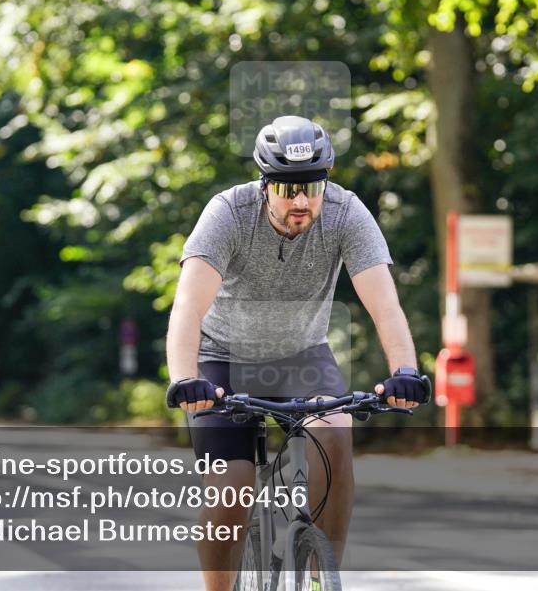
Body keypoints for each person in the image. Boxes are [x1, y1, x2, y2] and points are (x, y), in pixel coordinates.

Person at [165, 115, 429, 591]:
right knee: (232, 488)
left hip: (302, 355)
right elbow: (188, 305)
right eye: (288, 190)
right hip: (222, 359)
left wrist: (405, 370)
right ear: (265, 185)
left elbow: (385, 305)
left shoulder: (346, 213)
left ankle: (321, 577)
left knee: (336, 434)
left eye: (312, 187)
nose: (302, 201)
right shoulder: (228, 213)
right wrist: (186, 379)